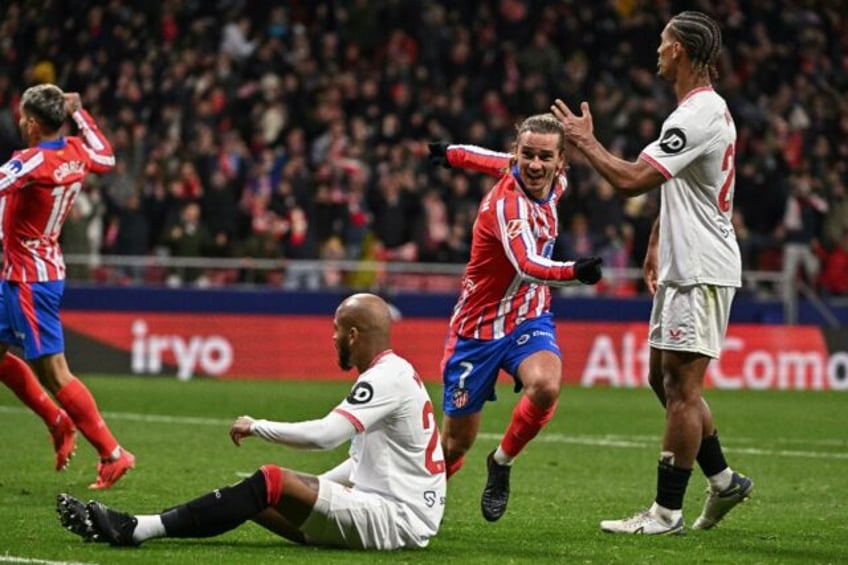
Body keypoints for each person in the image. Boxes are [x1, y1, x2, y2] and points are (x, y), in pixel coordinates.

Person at [551, 11, 753, 534]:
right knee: (660, 379)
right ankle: (725, 480)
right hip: (682, 262)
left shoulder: (697, 115)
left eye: (663, 44)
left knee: (683, 389)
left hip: (701, 268)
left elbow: (634, 178)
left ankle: (666, 513)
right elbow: (684, 185)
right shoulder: (696, 112)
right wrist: (656, 239)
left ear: (681, 50)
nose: (657, 52)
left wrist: (586, 142)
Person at [58, 293, 446, 550]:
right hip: (402, 510)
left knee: (271, 481)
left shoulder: (383, 379)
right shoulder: (393, 374)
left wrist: (258, 425)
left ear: (355, 335)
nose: (333, 338)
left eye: (337, 330)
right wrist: (317, 489)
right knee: (252, 497)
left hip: (398, 518)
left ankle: (136, 529)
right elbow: (362, 462)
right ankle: (142, 526)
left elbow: (327, 435)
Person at [426, 114, 603, 523]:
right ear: (518, 154)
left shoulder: (554, 184)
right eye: (528, 155)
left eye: (545, 156)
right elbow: (527, 264)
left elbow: (492, 159)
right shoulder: (507, 206)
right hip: (477, 331)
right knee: (455, 445)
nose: (535, 165)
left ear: (561, 163)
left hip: (528, 317)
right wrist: (575, 271)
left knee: (546, 384)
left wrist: (453, 154)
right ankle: (415, 502)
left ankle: (501, 462)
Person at [0, 84, 135, 489]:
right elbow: (107, 156)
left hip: (29, 279)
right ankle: (58, 421)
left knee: (56, 373)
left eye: (24, 117)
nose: (20, 122)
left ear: (34, 124)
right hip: (31, 270)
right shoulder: (77, 152)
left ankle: (113, 453)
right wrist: (82, 114)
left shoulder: (30, 161)